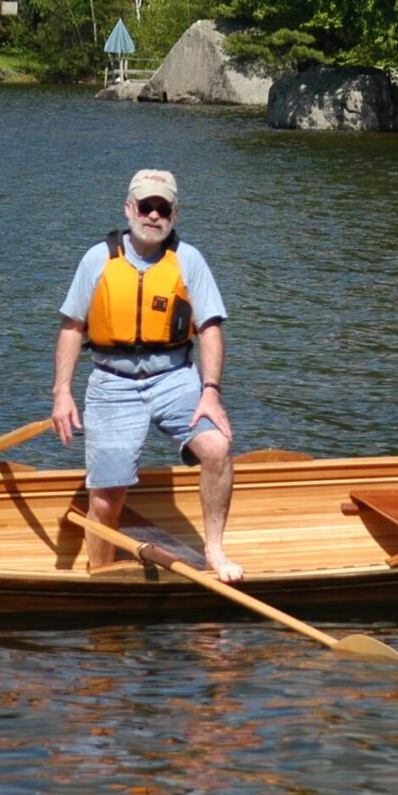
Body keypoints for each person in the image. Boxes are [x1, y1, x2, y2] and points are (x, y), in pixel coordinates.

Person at [51, 169, 244, 582]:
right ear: (129, 209)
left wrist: (210, 391)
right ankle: (101, 574)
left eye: (162, 208)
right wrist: (61, 394)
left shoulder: (189, 260)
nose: (153, 215)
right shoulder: (97, 259)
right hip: (112, 381)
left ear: (174, 214)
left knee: (217, 447)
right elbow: (71, 327)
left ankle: (214, 551)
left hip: (174, 377)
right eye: (145, 206)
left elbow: (210, 329)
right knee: (107, 495)